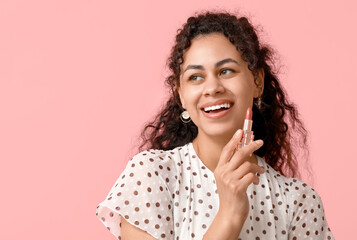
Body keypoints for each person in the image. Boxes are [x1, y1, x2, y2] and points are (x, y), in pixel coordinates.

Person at [96, 11, 334, 240]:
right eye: (195, 77)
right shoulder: (150, 176)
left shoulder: (299, 202)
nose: (212, 88)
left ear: (257, 82)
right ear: (181, 97)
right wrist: (228, 218)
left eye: (226, 71)